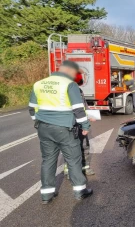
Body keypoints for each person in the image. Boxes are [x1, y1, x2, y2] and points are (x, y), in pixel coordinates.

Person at [28, 60, 93, 204]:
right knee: (73, 159)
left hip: (43, 128)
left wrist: (38, 121)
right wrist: (85, 126)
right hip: (64, 128)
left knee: (48, 160)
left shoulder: (39, 84)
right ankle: (80, 191)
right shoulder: (69, 84)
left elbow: (32, 108)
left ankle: (46, 194)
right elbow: (78, 109)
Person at [64, 72, 96, 178]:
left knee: (84, 146)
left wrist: (90, 115)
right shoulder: (67, 90)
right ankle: (69, 171)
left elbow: (84, 106)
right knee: (71, 148)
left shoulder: (79, 90)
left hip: (80, 123)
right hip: (71, 124)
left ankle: (84, 168)